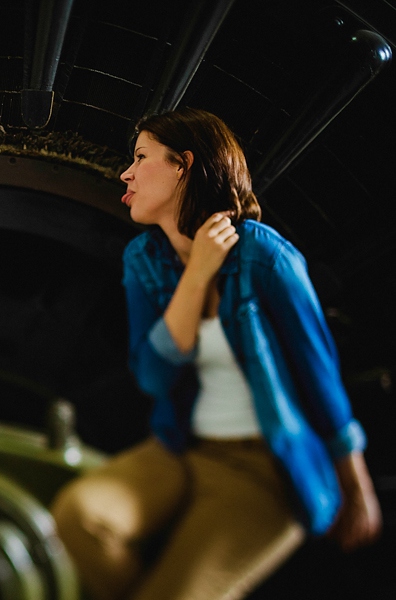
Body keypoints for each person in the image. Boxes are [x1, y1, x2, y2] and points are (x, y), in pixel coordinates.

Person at [51, 107, 381, 600]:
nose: (127, 172)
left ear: (183, 165)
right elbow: (154, 377)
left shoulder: (267, 259)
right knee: (77, 519)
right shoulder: (143, 260)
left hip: (267, 470)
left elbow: (319, 375)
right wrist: (198, 275)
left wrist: (356, 487)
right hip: (182, 448)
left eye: (141, 158)